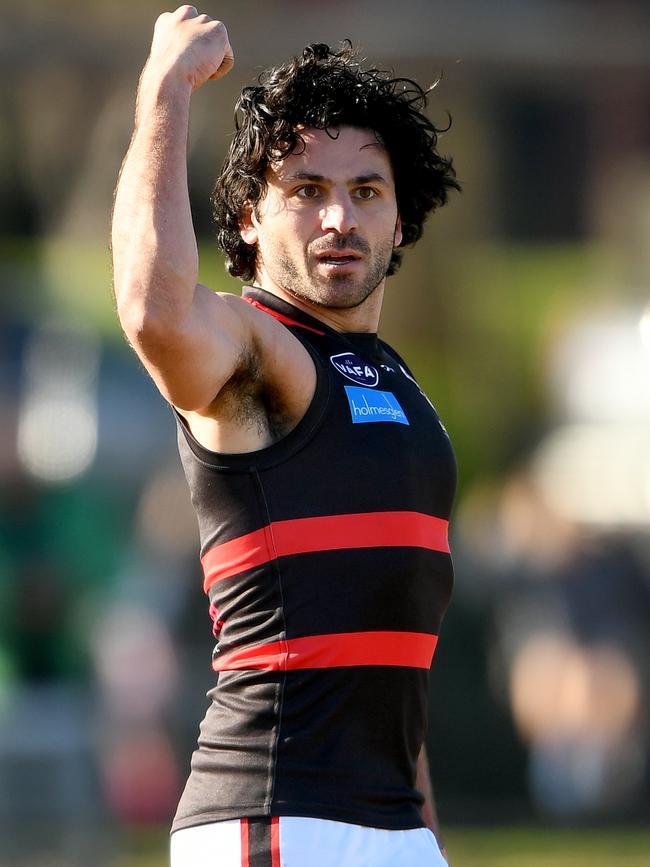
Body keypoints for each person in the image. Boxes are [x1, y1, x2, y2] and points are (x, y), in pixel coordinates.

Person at [111, 6, 460, 865]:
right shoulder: (255, 345)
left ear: (401, 218)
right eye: (306, 191)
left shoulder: (395, 381)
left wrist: (422, 829)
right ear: (248, 222)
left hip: (392, 824)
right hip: (276, 817)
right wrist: (165, 87)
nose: (339, 217)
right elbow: (153, 312)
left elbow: (385, 642)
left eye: (365, 191)